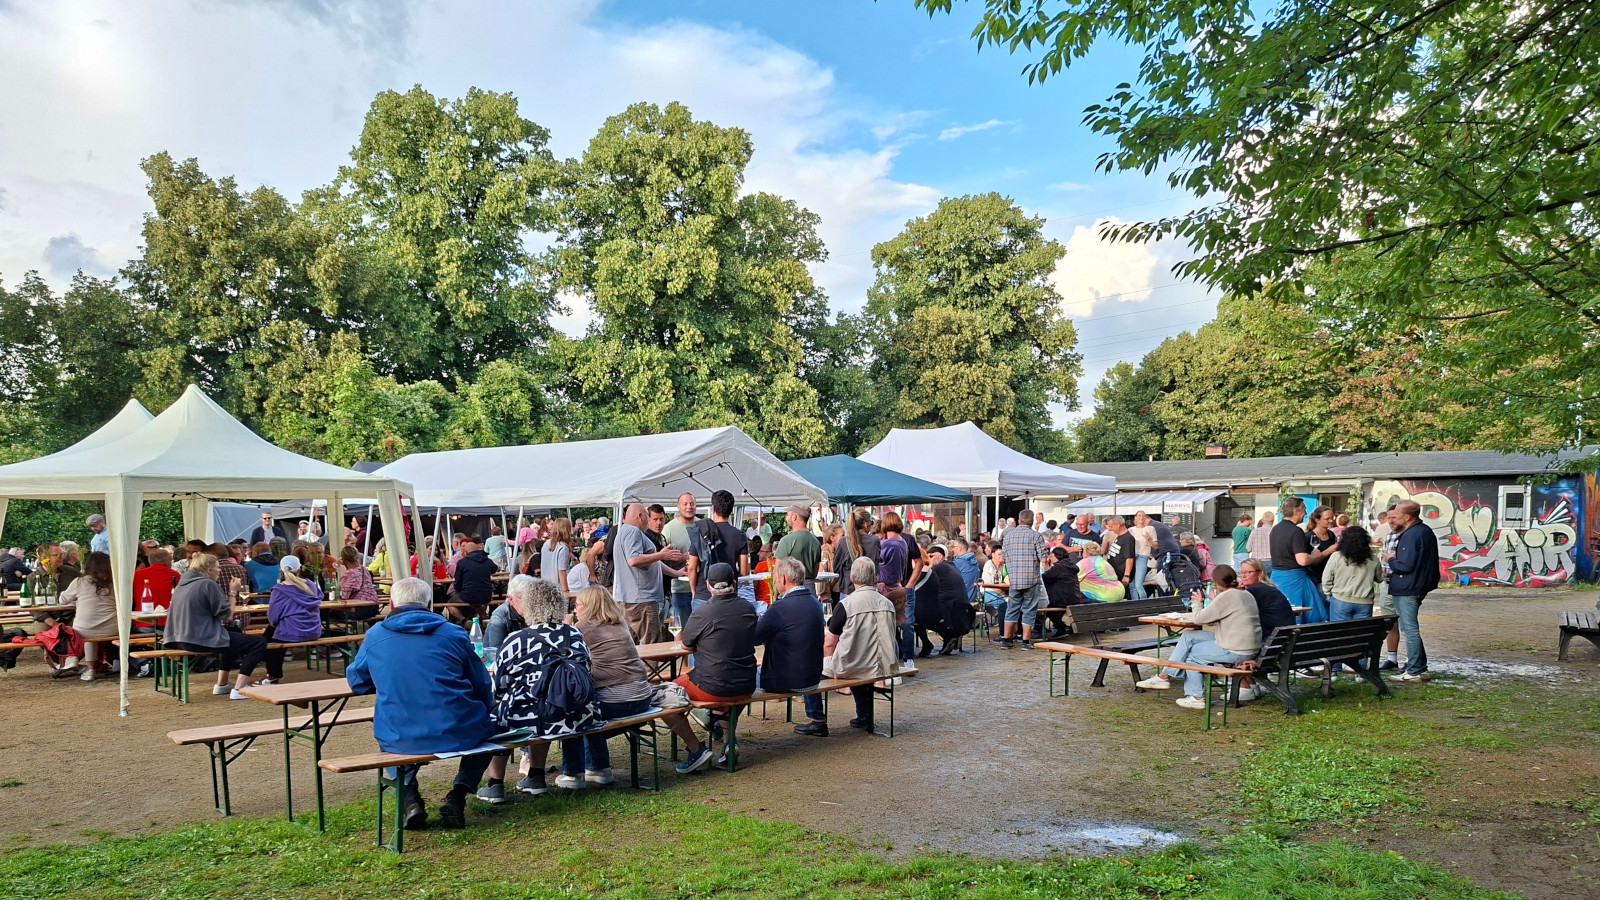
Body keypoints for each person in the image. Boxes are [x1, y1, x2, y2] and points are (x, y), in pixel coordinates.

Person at [347, 577, 496, 830]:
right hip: (459, 729)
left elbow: (357, 682)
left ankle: (409, 798)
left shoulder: (375, 635)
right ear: (429, 604)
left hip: (400, 734)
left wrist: (390, 680)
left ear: (392, 603)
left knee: (388, 735)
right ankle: (458, 795)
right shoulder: (454, 633)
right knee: (490, 732)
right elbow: (481, 683)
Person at [480, 577, 603, 800]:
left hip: (533, 719)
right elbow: (587, 669)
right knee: (543, 704)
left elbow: (498, 687)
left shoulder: (516, 640)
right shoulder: (574, 634)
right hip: (576, 716)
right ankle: (535, 776)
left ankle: (495, 784)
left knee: (500, 714)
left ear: (528, 605)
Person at [557, 585, 655, 789]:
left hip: (616, 702)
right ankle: (597, 768)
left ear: (589, 606)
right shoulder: (621, 623)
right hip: (643, 697)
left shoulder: (582, 628)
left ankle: (574, 774)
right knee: (589, 703)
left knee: (573, 708)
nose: (575, 609)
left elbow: (562, 656)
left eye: (578, 605)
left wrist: (565, 627)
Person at [670, 562, 758, 772]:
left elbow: (686, 646)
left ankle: (696, 749)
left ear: (708, 585)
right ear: (734, 583)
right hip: (747, 683)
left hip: (714, 685)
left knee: (667, 695)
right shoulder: (748, 608)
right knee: (722, 689)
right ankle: (729, 742)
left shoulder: (703, 611)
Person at [1134, 566, 1260, 709]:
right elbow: (1214, 619)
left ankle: (1196, 696)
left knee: (1193, 654)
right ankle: (1165, 676)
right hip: (1245, 644)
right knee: (1189, 636)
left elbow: (1199, 619)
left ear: (1217, 582)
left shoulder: (1227, 596)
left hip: (1236, 649)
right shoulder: (1244, 594)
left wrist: (1197, 603)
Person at [165, 553, 269, 700]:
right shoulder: (208, 584)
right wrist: (232, 592)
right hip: (198, 639)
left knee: (233, 633)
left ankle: (222, 684)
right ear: (209, 570)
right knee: (258, 643)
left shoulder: (182, 585)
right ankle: (240, 689)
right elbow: (227, 616)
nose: (220, 571)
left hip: (177, 638)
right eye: (217, 568)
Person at [821, 558, 898, 730]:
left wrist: (828, 665)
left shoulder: (846, 604)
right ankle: (864, 716)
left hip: (853, 666)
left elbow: (829, 643)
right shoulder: (888, 604)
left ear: (852, 578)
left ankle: (816, 719)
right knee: (860, 662)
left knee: (814, 673)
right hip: (883, 665)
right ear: (874, 577)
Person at [758, 558, 827, 735]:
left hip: (785, 679)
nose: (774, 581)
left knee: (740, 676)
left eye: (775, 578)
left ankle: (719, 724)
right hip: (813, 675)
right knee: (804, 656)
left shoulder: (780, 607)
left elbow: (754, 637)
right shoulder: (815, 603)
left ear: (783, 579)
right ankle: (818, 720)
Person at [613, 503, 687, 644]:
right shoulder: (633, 532)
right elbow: (633, 560)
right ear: (640, 516)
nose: (648, 520)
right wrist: (661, 555)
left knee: (633, 647)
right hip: (641, 601)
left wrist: (676, 573)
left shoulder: (623, 531)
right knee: (652, 646)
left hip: (629, 599)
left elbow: (652, 561)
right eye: (648, 516)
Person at [1386, 499, 1439, 683]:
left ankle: (1414, 670)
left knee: (1409, 629)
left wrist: (1390, 559)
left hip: (1407, 587)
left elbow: (1405, 565)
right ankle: (1420, 667)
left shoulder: (1411, 534)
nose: (1394, 518)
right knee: (1410, 628)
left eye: (1397, 514)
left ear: (1407, 517)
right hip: (1419, 585)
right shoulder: (1425, 531)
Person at [261, 555, 324, 684]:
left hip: (292, 632)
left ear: (281, 570)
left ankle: (273, 675)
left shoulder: (279, 590)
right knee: (270, 635)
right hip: (313, 631)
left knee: (269, 641)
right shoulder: (310, 585)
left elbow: (273, 618)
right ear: (300, 569)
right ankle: (271, 673)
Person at [59, 551, 117, 680]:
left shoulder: (80, 582)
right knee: (92, 634)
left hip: (85, 629)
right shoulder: (114, 582)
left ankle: (87, 667)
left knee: (87, 633)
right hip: (113, 628)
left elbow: (62, 600)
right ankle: (114, 662)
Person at [1271, 497, 1327, 623]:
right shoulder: (1296, 531)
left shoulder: (1275, 529)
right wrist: (1315, 555)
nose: (1306, 513)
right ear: (1296, 511)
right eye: (1304, 510)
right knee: (1305, 617)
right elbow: (1302, 560)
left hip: (1277, 578)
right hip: (1295, 581)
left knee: (1282, 616)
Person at [999, 509, 1049, 649]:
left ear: (1019, 520)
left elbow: (1003, 557)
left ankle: (1006, 640)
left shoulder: (1009, 535)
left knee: (1012, 608)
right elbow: (1043, 558)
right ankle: (1026, 642)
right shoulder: (1036, 536)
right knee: (1029, 610)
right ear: (1032, 522)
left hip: (1014, 579)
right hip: (1031, 578)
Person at [661, 493, 702, 630]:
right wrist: (677, 559)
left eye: (692, 503)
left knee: (701, 630)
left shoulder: (702, 526)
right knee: (681, 630)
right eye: (685, 504)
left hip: (701, 589)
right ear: (678, 507)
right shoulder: (668, 529)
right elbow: (660, 561)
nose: (689, 507)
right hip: (679, 589)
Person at [1040, 546, 1086, 638]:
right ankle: (1062, 629)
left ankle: (1042, 630)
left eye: (1051, 555)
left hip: (1061, 599)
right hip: (1074, 598)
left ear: (1056, 556)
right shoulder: (1069, 566)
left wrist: (1045, 565)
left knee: (1041, 607)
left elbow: (1044, 578)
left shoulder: (1059, 567)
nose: (1050, 558)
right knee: (1050, 611)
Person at [834, 508, 880, 598]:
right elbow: (876, 566)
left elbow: (837, 567)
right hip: (868, 591)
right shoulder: (874, 541)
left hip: (847, 591)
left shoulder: (844, 541)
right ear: (866, 524)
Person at [451, 534, 496, 623]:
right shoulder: (487, 560)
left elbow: (458, 582)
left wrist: (459, 590)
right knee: (476, 600)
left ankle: (464, 620)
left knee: (450, 604)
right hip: (487, 595)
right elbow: (494, 569)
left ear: (466, 552)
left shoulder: (462, 562)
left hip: (469, 594)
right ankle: (483, 618)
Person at [332, 545, 380, 624]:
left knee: (328, 614)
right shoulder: (364, 569)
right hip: (374, 607)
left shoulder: (349, 574)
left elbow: (343, 597)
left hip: (360, 609)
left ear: (343, 558)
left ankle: (340, 631)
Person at [775, 505, 822, 581]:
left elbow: (777, 572)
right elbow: (815, 572)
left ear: (794, 517)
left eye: (787, 515)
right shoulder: (816, 541)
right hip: (810, 585)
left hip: (791, 585)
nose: (786, 518)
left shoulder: (786, 540)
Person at [133, 546, 181, 616]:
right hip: (165, 617)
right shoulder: (174, 574)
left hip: (141, 617)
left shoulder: (136, 574)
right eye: (170, 561)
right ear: (165, 562)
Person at [1302, 506, 1339, 593]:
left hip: (1331, 577)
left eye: (1332, 518)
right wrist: (1328, 551)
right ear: (1317, 520)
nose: (1331, 521)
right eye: (1327, 519)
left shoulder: (1331, 534)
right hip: (1316, 578)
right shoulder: (1308, 537)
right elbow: (1307, 561)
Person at [1103, 516, 1138, 599]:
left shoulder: (1128, 538)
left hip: (1121, 573)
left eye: (1111, 526)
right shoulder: (1119, 536)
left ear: (1118, 525)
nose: (1110, 529)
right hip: (1114, 572)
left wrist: (1126, 575)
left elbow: (1129, 558)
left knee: (1121, 597)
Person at [539, 519, 575, 595]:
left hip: (546, 584)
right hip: (557, 587)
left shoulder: (546, 544)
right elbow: (561, 571)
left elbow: (543, 566)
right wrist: (566, 591)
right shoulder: (563, 547)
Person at [1126, 512, 1155, 601]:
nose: (1141, 517)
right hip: (1132, 556)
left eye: (1143, 515)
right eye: (1139, 515)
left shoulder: (1150, 529)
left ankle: (1144, 603)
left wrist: (1148, 539)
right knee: (1132, 585)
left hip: (1143, 556)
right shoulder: (1130, 530)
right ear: (1135, 517)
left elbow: (1155, 545)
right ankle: (1135, 604)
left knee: (1138, 584)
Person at [949, 538, 982, 606]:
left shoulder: (958, 562)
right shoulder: (974, 560)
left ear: (960, 548)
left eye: (954, 547)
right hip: (974, 597)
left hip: (962, 599)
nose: (953, 549)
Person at [980, 542, 1008, 622]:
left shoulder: (1005, 565)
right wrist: (1003, 594)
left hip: (1003, 592)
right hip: (988, 591)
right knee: (1005, 603)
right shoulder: (988, 565)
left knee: (1011, 602)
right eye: (999, 554)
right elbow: (988, 584)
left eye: (1003, 554)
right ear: (993, 555)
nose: (1002, 556)